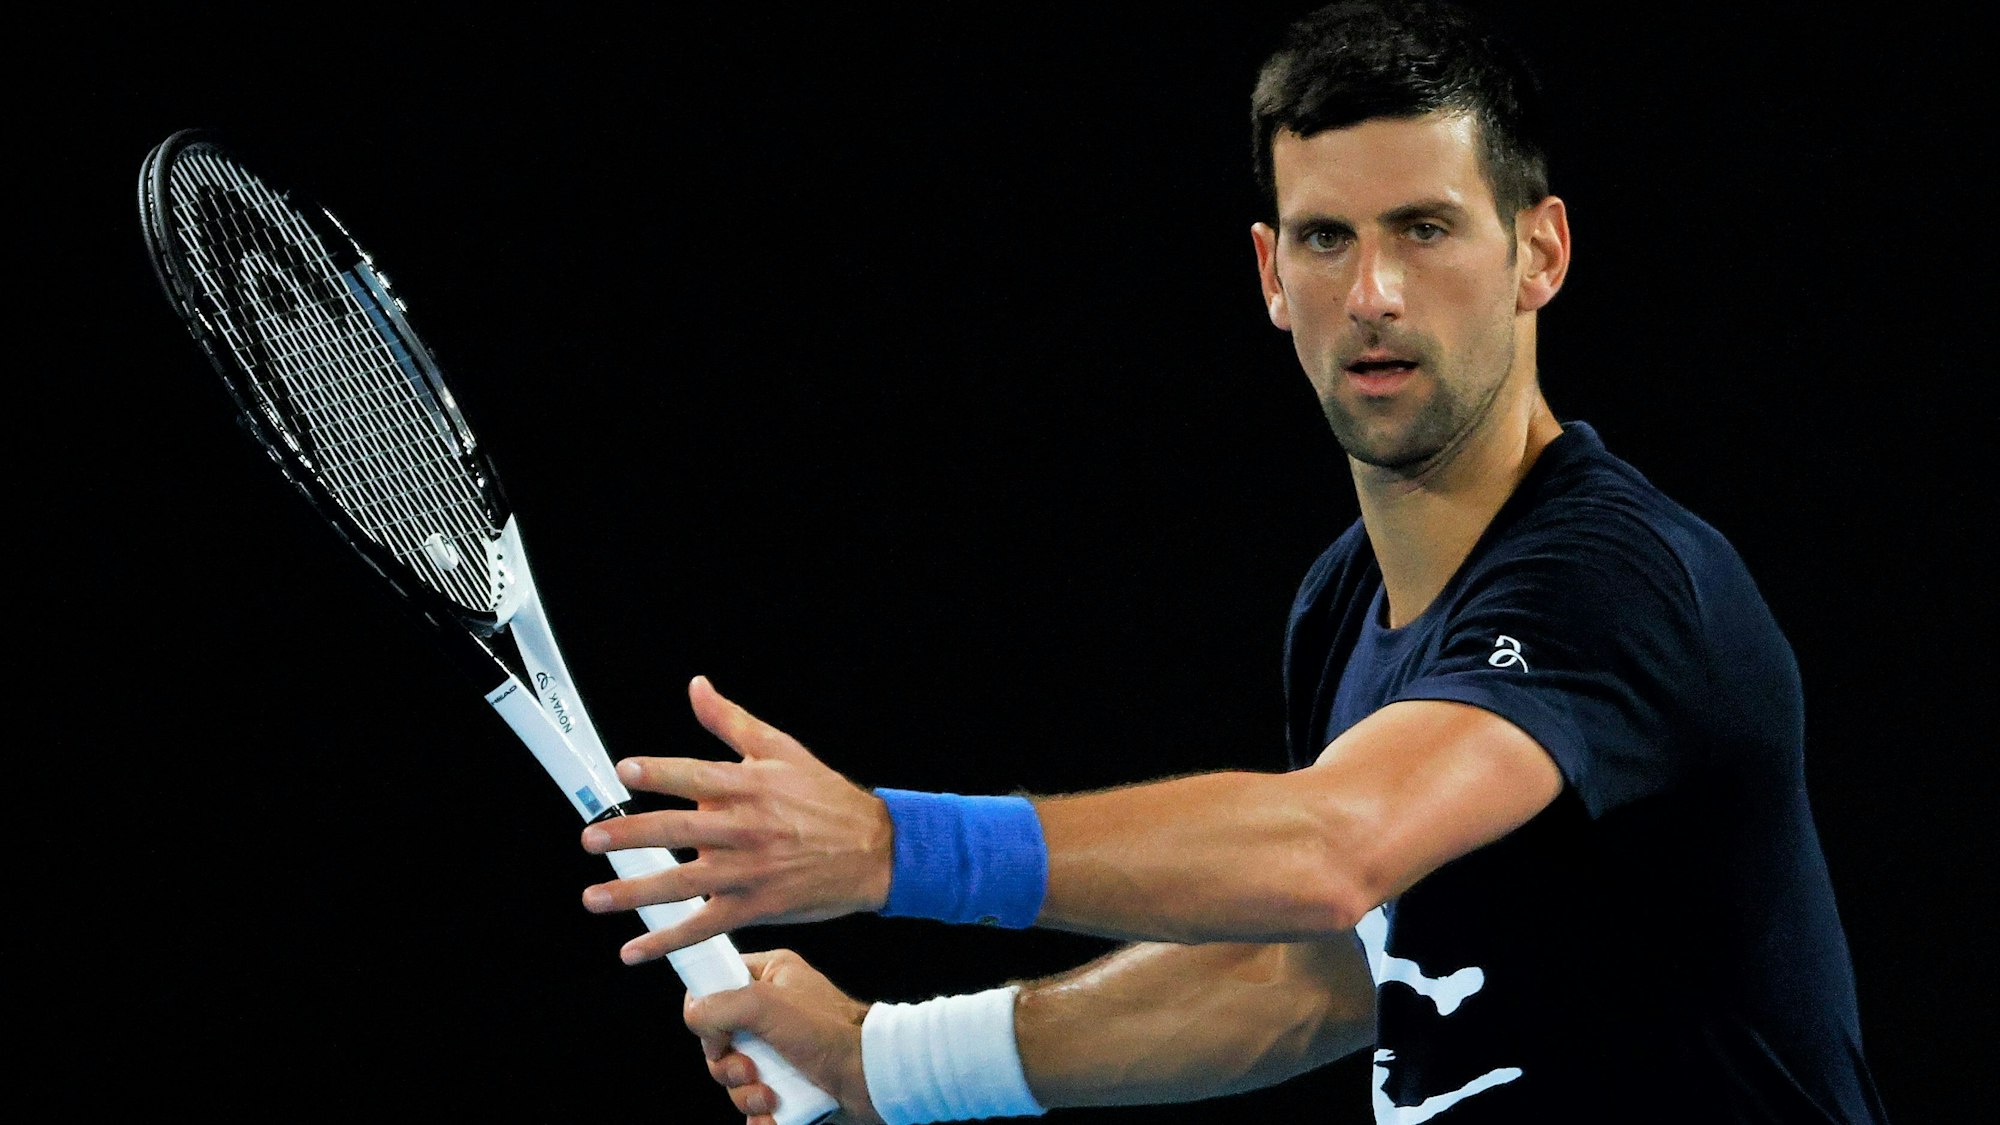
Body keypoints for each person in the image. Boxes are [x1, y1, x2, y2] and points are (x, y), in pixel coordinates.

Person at [576, 3, 1889, 1121]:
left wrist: (889, 844)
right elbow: (1310, 974)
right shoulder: (1341, 607)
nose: (1372, 293)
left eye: (1426, 229)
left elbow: (1335, 848)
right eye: (1326, 238)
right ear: (1270, 272)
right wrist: (885, 1061)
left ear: (1538, 252)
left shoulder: (1622, 579)